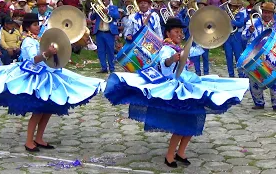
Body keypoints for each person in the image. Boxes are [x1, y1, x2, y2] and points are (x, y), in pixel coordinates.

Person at [104, 18, 248, 168]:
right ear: (168, 33)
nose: (179, 34)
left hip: (189, 84)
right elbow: (164, 64)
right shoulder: (166, 49)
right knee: (181, 126)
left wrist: (206, 36)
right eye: (176, 31)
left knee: (194, 121)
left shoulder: (181, 48)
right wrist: (172, 59)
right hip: (176, 89)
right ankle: (169, 156)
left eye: (181, 32)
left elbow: (197, 50)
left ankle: (181, 152)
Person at [0, 13, 103, 152]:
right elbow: (33, 59)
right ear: (27, 27)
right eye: (35, 25)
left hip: (47, 74)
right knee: (38, 110)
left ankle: (39, 138)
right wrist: (48, 53)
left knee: (48, 109)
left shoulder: (37, 38)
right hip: (35, 77)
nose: (38, 27)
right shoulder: (28, 41)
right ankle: (28, 141)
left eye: (38, 24)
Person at [242, 2, 276, 110]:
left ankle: (275, 104)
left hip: (272, 54)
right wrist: (249, 31)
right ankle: (259, 102)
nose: (266, 15)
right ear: (262, 12)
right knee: (254, 78)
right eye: (265, 12)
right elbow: (243, 36)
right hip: (255, 55)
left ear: (272, 14)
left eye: (269, 13)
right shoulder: (254, 22)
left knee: (274, 78)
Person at [90, 0, 119, 73]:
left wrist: (108, 11)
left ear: (109, 0)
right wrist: (95, 11)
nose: (104, 1)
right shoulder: (98, 8)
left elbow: (117, 16)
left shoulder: (113, 8)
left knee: (110, 51)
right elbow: (92, 18)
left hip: (109, 32)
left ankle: (112, 68)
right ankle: (104, 68)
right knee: (101, 51)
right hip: (99, 32)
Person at [222, 0, 245, 78]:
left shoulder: (240, 14)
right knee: (228, 56)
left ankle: (241, 75)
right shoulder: (225, 15)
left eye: (235, 6)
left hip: (236, 37)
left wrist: (233, 22)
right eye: (231, 6)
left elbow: (241, 24)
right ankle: (231, 75)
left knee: (238, 57)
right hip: (227, 37)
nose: (233, 8)